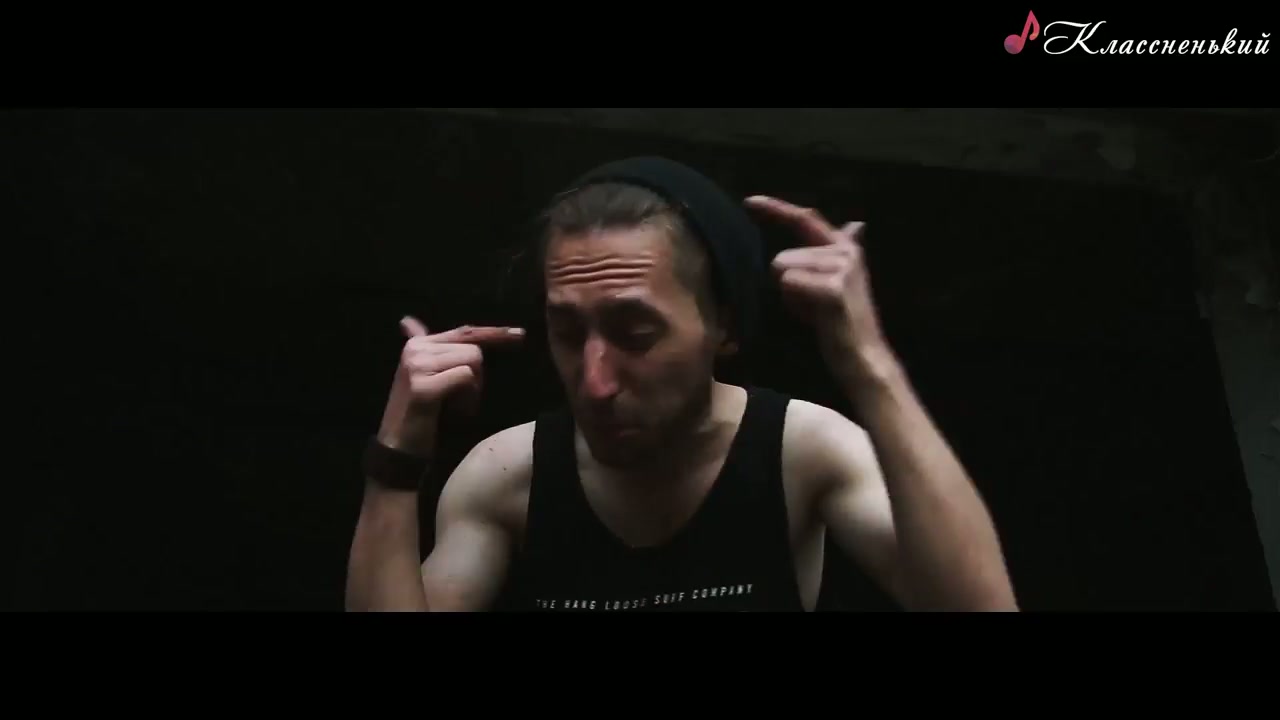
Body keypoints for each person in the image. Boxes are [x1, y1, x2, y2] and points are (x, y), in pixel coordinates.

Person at [345, 157, 1018, 612]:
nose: (595, 382)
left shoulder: (803, 452)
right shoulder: (506, 476)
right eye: (568, 333)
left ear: (724, 326)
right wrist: (395, 462)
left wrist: (867, 362)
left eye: (637, 334)